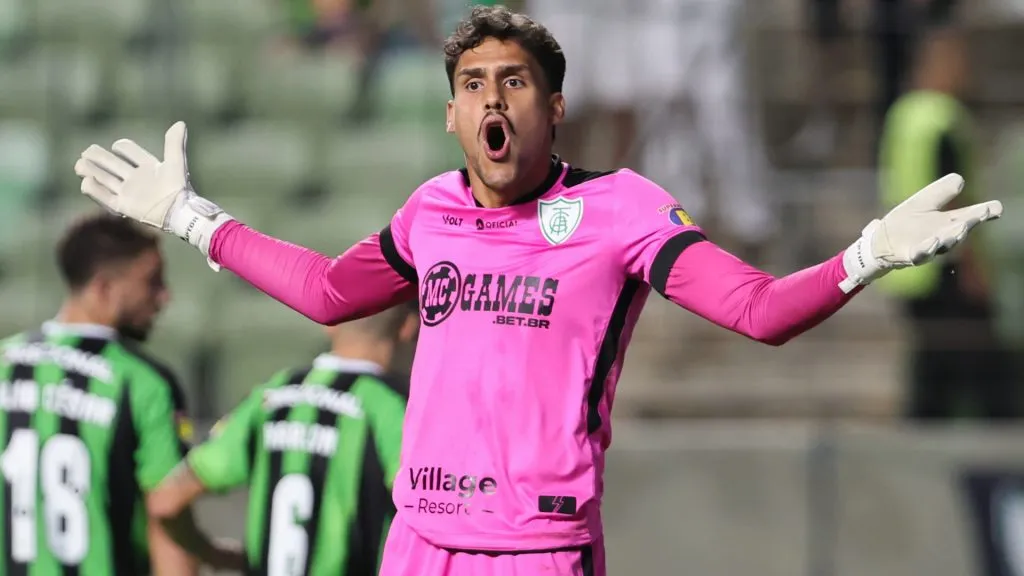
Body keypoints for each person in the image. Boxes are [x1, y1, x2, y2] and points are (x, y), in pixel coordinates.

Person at [72, 6, 1001, 575]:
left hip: (538, 552)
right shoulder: (428, 210)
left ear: (553, 109)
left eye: (514, 82)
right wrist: (193, 218)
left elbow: (757, 313)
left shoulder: (621, 210)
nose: (492, 101)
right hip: (420, 543)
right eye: (473, 84)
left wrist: (866, 254)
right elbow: (325, 293)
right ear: (450, 115)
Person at [0, 213, 241, 575]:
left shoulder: (5, 361)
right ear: (104, 288)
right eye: (152, 282)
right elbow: (165, 516)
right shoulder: (143, 383)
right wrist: (205, 553)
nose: (164, 297)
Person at [148, 301, 417, 575]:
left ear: (329, 323)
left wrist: (210, 553)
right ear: (409, 327)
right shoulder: (397, 407)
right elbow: (428, 511)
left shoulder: (273, 393)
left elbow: (166, 501)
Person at [877, 23, 1013, 420]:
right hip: (944, 267)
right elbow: (953, 196)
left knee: (933, 365)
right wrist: (973, 267)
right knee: (980, 367)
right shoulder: (942, 118)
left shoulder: (903, 114)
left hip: (904, 266)